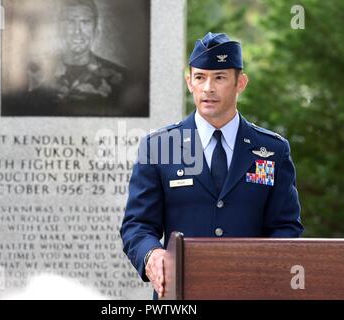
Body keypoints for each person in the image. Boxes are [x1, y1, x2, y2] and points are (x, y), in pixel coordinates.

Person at [120, 32, 304, 298]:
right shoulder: (160, 146)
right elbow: (137, 225)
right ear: (189, 82)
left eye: (219, 78)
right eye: (200, 77)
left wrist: (265, 270)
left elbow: (286, 226)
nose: (208, 88)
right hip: (180, 295)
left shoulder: (272, 150)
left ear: (240, 82)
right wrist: (152, 254)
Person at [2, 0, 145, 117]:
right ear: (59, 29)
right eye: (70, 22)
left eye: (85, 22)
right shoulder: (29, 77)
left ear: (96, 30)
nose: (78, 32)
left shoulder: (122, 79)